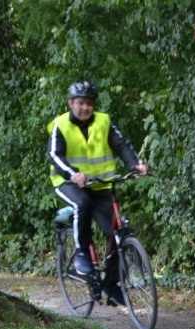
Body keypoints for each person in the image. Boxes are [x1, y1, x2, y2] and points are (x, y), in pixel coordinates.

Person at [47, 81, 149, 306]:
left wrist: (136, 164)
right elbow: (54, 155)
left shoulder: (104, 121)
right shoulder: (60, 125)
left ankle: (111, 284)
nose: (85, 108)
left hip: (102, 185)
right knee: (82, 205)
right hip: (69, 183)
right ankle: (82, 254)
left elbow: (121, 145)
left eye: (89, 104)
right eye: (81, 103)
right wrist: (73, 174)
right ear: (70, 103)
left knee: (117, 233)